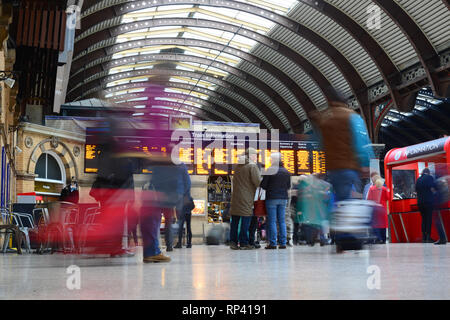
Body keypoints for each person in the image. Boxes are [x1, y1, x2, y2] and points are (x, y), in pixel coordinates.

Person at [309, 88, 374, 202]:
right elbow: (360, 141)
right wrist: (366, 163)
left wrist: (320, 168)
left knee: (338, 201)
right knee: (349, 203)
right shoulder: (351, 116)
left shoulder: (324, 118)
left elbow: (317, 144)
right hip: (349, 167)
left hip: (332, 171)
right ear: (345, 101)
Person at [229, 148, 261, 250]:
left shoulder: (238, 166)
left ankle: (233, 242)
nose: (256, 157)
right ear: (250, 155)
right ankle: (244, 242)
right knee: (246, 220)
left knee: (235, 221)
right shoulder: (252, 166)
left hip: (236, 198)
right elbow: (257, 182)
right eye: (255, 155)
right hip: (247, 198)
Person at [260, 152, 291, 249]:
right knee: (282, 221)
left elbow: (263, 185)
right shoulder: (286, 171)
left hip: (272, 198)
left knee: (272, 221)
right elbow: (288, 186)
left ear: (273, 160)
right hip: (283, 199)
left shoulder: (270, 170)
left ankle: (273, 243)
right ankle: (283, 243)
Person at [415, 168, 437, 243]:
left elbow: (416, 190)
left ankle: (424, 237)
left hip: (420, 203)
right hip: (428, 202)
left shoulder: (418, 179)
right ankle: (428, 237)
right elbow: (434, 187)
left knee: (424, 219)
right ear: (428, 172)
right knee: (428, 219)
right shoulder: (429, 177)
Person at [367, 178, 389, 243]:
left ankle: (378, 238)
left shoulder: (371, 189)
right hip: (383, 208)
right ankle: (384, 239)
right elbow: (387, 198)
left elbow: (369, 199)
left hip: (375, 208)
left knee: (376, 224)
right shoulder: (385, 189)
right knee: (383, 224)